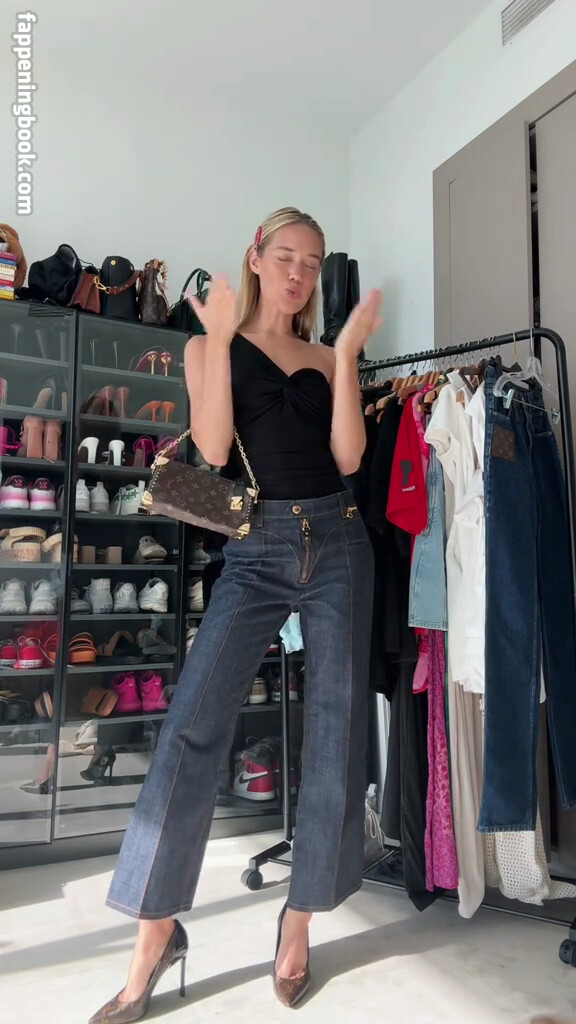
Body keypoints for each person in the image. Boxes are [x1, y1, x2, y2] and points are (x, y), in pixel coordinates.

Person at [90, 207, 381, 1022]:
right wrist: (217, 339)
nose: (298, 273)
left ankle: (300, 920)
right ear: (256, 257)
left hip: (339, 542)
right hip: (258, 549)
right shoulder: (205, 345)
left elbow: (350, 457)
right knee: (191, 725)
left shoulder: (325, 355)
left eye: (312, 263)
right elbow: (215, 450)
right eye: (286, 256)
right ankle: (155, 932)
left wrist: (347, 357)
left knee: (335, 733)